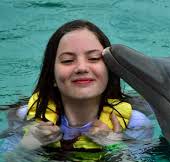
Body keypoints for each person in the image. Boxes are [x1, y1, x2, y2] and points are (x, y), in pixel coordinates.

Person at [16, 19, 153, 151]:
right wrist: (26, 147)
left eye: (94, 58)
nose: (82, 68)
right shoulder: (27, 117)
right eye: (68, 60)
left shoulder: (135, 125)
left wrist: (113, 146)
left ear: (109, 71)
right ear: (52, 76)